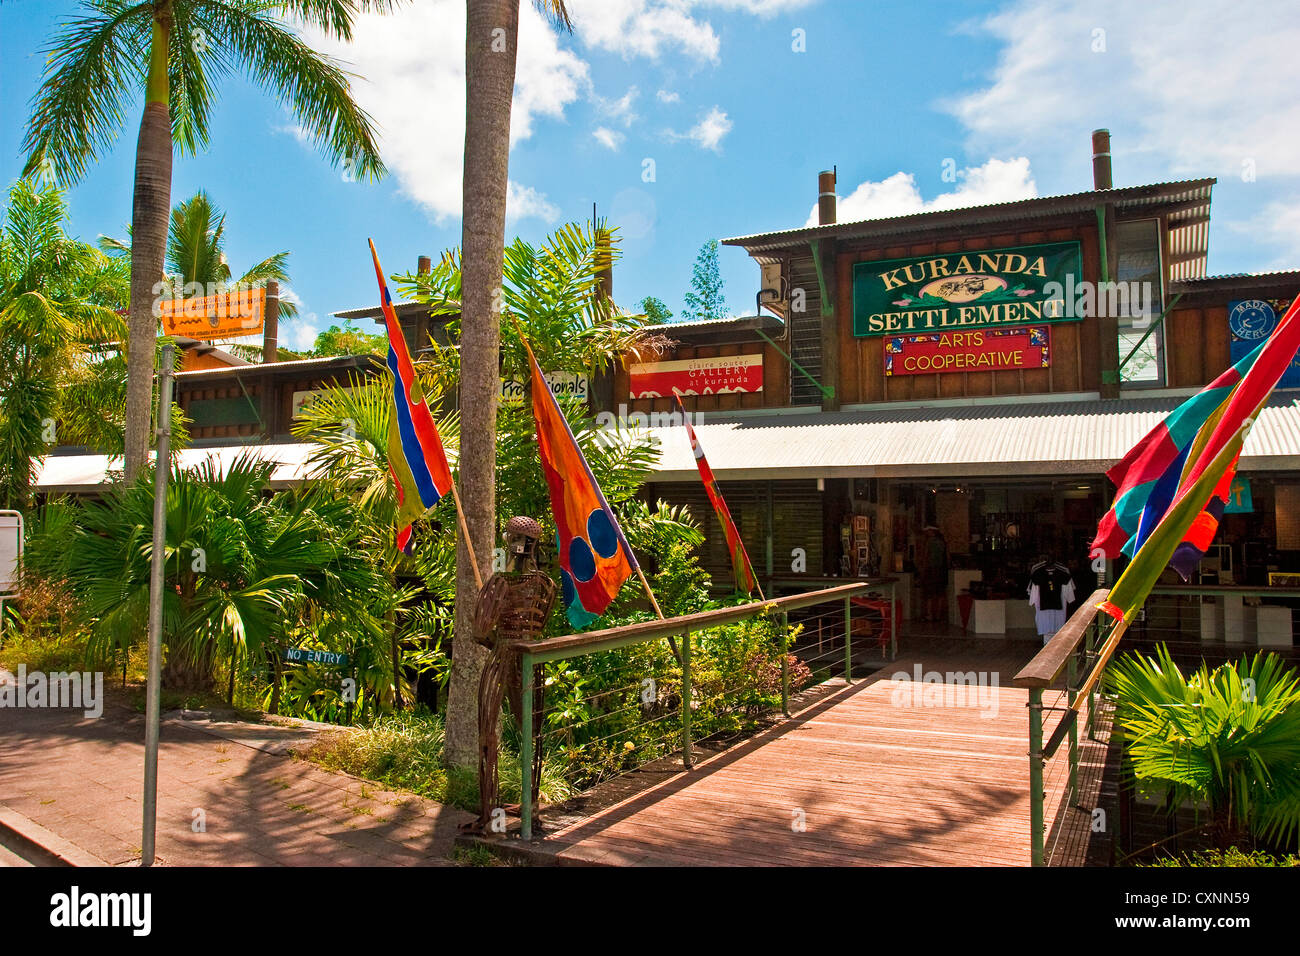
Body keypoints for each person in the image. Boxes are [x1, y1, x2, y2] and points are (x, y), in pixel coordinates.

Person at [1028, 553, 1075, 645]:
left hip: (1047, 610)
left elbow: (1032, 597)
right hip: (1054, 610)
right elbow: (1070, 597)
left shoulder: (1063, 574)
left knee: (1051, 629)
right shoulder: (1037, 574)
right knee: (1052, 629)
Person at [921, 525, 948, 624]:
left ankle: (929, 614)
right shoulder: (942, 542)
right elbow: (947, 557)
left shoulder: (929, 542)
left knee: (929, 593)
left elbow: (925, 556)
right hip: (941, 569)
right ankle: (938, 615)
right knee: (940, 593)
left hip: (930, 569)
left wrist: (923, 570)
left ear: (931, 531)